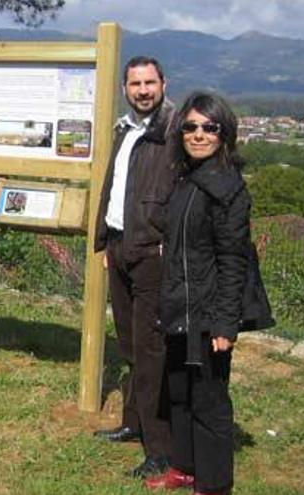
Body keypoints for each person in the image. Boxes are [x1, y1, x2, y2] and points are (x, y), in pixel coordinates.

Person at [146, 92, 251, 495]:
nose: (199, 134)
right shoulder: (186, 179)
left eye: (209, 127)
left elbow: (233, 260)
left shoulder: (228, 188)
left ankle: (213, 485)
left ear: (225, 133)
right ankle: (184, 468)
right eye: (190, 126)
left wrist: (225, 322)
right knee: (178, 395)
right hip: (178, 307)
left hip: (207, 315)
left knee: (209, 403)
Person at [92, 56, 178, 477]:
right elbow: (115, 188)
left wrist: (171, 245)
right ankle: (133, 422)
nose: (143, 90)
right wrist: (107, 241)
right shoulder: (126, 129)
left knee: (151, 351)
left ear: (164, 83)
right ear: (124, 87)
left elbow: (185, 195)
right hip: (121, 247)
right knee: (128, 344)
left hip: (152, 254)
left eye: (150, 82)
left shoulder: (175, 132)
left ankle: (160, 448)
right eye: (135, 83)